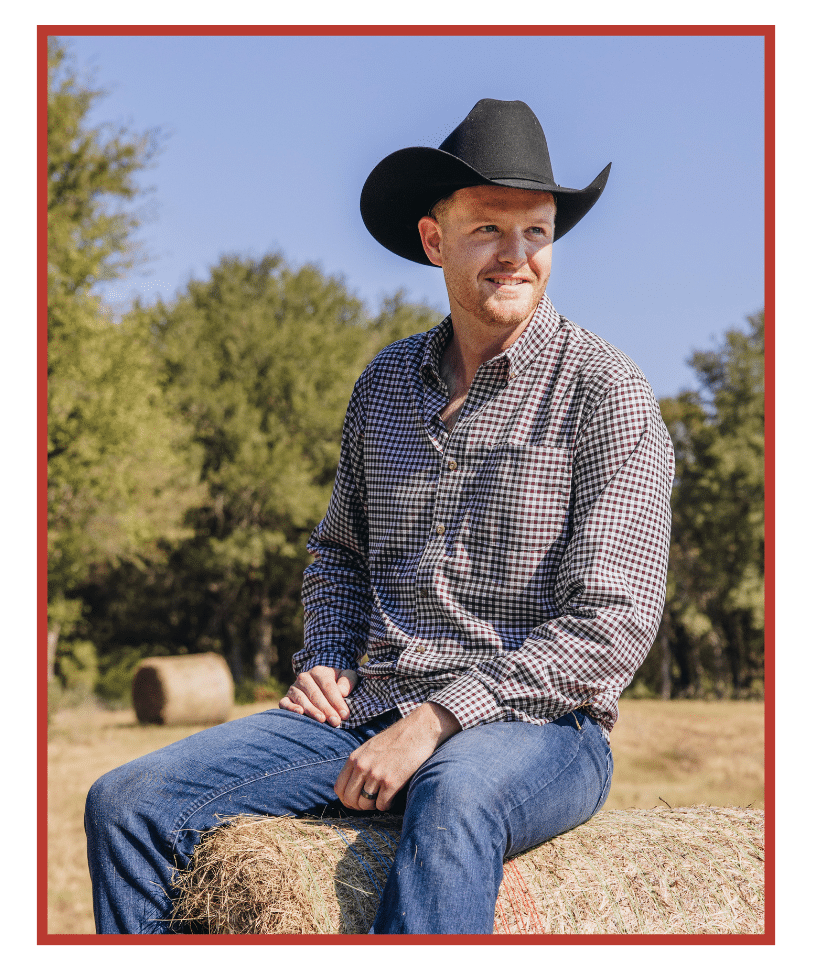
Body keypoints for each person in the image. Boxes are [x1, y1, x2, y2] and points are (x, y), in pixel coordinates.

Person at [85, 98, 674, 936]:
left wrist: (437, 723)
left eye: (536, 233)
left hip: (542, 728)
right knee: (128, 804)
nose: (518, 257)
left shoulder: (605, 394)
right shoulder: (385, 385)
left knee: (455, 792)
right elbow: (339, 557)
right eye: (488, 232)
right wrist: (325, 658)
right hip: (371, 706)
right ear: (435, 240)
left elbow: (610, 625)